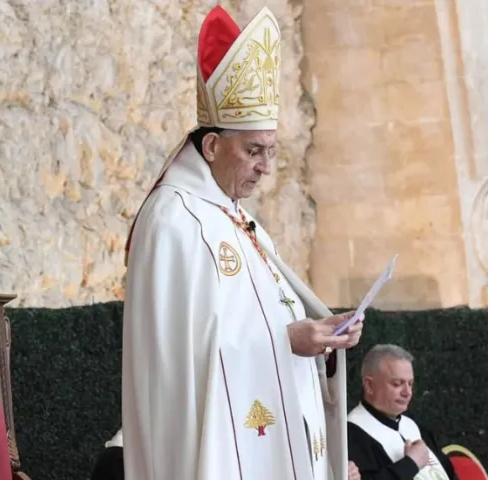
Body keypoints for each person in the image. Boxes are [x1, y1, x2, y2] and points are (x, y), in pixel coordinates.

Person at [119, 5, 365, 480]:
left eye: (271, 151)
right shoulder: (172, 219)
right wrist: (286, 341)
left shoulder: (241, 220)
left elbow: (263, 321)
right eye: (254, 151)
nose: (266, 167)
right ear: (212, 146)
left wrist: (321, 336)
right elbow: (173, 360)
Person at [347, 345, 457, 480]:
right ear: (369, 385)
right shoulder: (351, 435)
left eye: (410, 384)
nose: (407, 392)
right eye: (397, 384)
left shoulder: (413, 426)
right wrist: (410, 464)